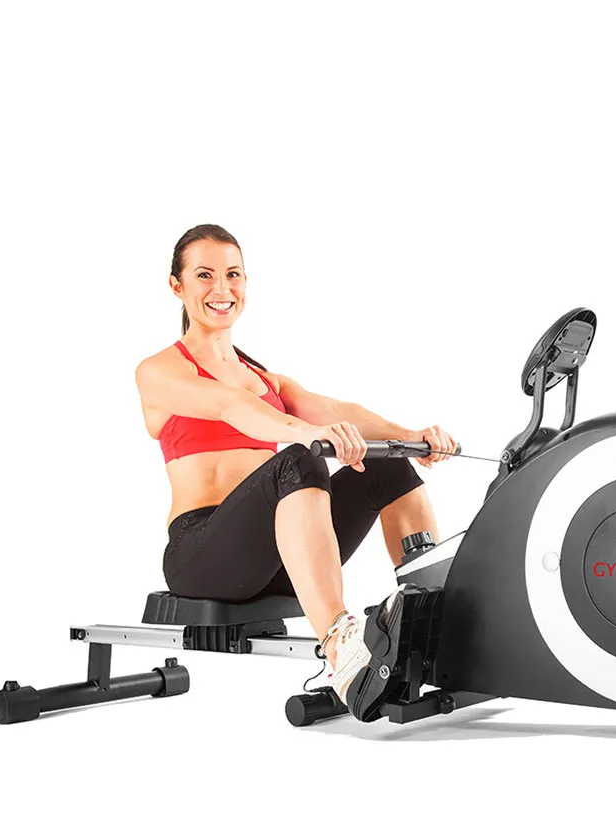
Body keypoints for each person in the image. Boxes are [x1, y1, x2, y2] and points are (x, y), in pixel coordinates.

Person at [135, 224, 458, 717]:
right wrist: (303, 433)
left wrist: (411, 438)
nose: (221, 288)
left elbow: (335, 410)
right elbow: (228, 406)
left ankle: (438, 624)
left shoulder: (267, 380)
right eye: (204, 275)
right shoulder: (159, 371)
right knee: (298, 461)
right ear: (177, 285)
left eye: (233, 275)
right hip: (202, 555)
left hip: (281, 558)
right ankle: (340, 647)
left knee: (386, 467)